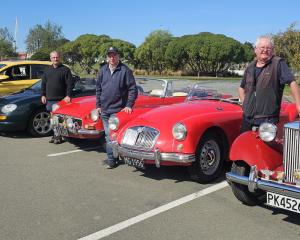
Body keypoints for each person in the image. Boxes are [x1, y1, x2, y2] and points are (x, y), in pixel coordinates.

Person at [239, 35, 300, 133]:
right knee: (246, 146)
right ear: (255, 50)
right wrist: (244, 104)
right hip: (247, 119)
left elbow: (292, 82)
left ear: (272, 50)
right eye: (262, 47)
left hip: (268, 120)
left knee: (266, 148)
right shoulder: (250, 67)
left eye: (268, 48)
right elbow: (241, 88)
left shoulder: (278, 63)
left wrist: (299, 107)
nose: (265, 50)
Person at [96, 47, 138, 169]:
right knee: (108, 136)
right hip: (104, 110)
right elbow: (98, 89)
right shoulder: (103, 70)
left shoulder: (125, 70)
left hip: (119, 110)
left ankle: (114, 158)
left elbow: (132, 89)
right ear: (107, 57)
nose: (112, 57)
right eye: (110, 55)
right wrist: (98, 105)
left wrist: (129, 105)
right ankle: (112, 158)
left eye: (114, 55)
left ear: (118, 56)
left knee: (114, 136)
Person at [41, 51, 74, 144]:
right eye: (53, 57)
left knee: (60, 119)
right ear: (50, 58)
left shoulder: (65, 70)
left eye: (57, 57)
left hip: (61, 100)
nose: (55, 59)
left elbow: (70, 84)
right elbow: (43, 83)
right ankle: (55, 135)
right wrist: (43, 95)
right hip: (50, 99)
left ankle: (59, 137)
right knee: (53, 119)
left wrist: (68, 95)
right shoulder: (47, 70)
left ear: (59, 58)